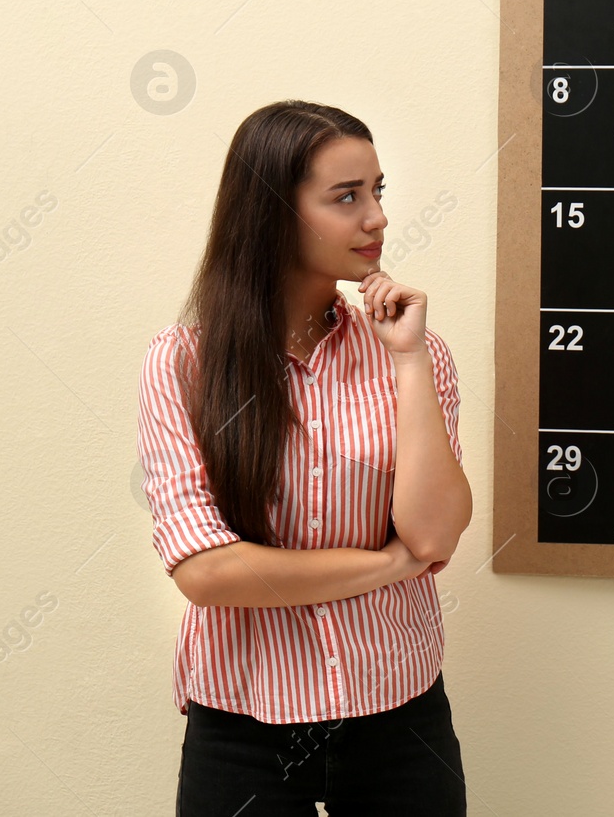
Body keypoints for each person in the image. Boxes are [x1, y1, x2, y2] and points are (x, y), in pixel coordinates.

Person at [136, 101, 472, 814]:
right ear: (271, 213)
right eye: (346, 197)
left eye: (377, 191)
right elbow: (208, 571)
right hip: (241, 727)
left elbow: (435, 534)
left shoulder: (415, 356)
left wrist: (409, 361)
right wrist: (386, 565)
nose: (376, 217)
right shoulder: (183, 363)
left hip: (400, 716)